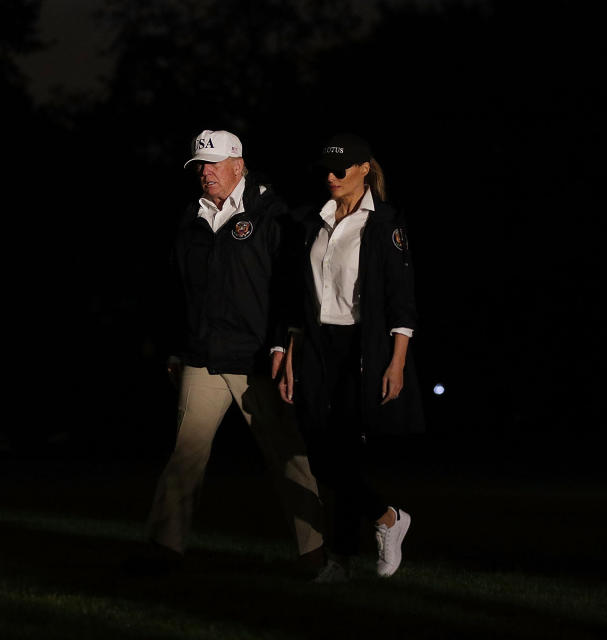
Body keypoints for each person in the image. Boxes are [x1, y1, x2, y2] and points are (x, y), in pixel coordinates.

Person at [138, 129, 325, 575]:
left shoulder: (271, 215)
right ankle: (164, 552)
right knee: (186, 457)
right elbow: (175, 289)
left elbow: (287, 289)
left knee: (289, 460)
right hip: (202, 357)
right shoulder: (192, 216)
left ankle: (317, 557)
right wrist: (174, 349)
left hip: (258, 358)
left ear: (238, 165)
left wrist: (284, 344)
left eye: (214, 164)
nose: (205, 173)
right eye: (199, 165)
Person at [278, 133, 425, 583]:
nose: (330, 177)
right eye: (325, 169)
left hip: (360, 347)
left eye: (340, 169)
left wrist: (396, 363)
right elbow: (298, 297)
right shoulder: (311, 222)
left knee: (342, 455)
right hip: (317, 346)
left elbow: (402, 302)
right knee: (321, 455)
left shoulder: (385, 223)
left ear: (364, 169)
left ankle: (339, 561)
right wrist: (287, 353)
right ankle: (387, 518)